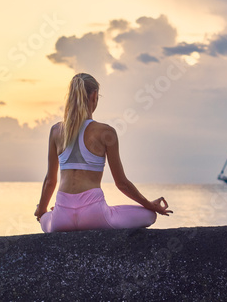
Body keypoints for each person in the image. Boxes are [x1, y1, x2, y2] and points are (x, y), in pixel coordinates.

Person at [34, 73, 172, 232]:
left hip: (61, 218)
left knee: (45, 218)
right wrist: (151, 205)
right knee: (149, 215)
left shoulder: (56, 130)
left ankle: (53, 215)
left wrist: (41, 210)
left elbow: (50, 181)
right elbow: (122, 184)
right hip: (94, 215)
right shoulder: (106, 132)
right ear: (94, 96)